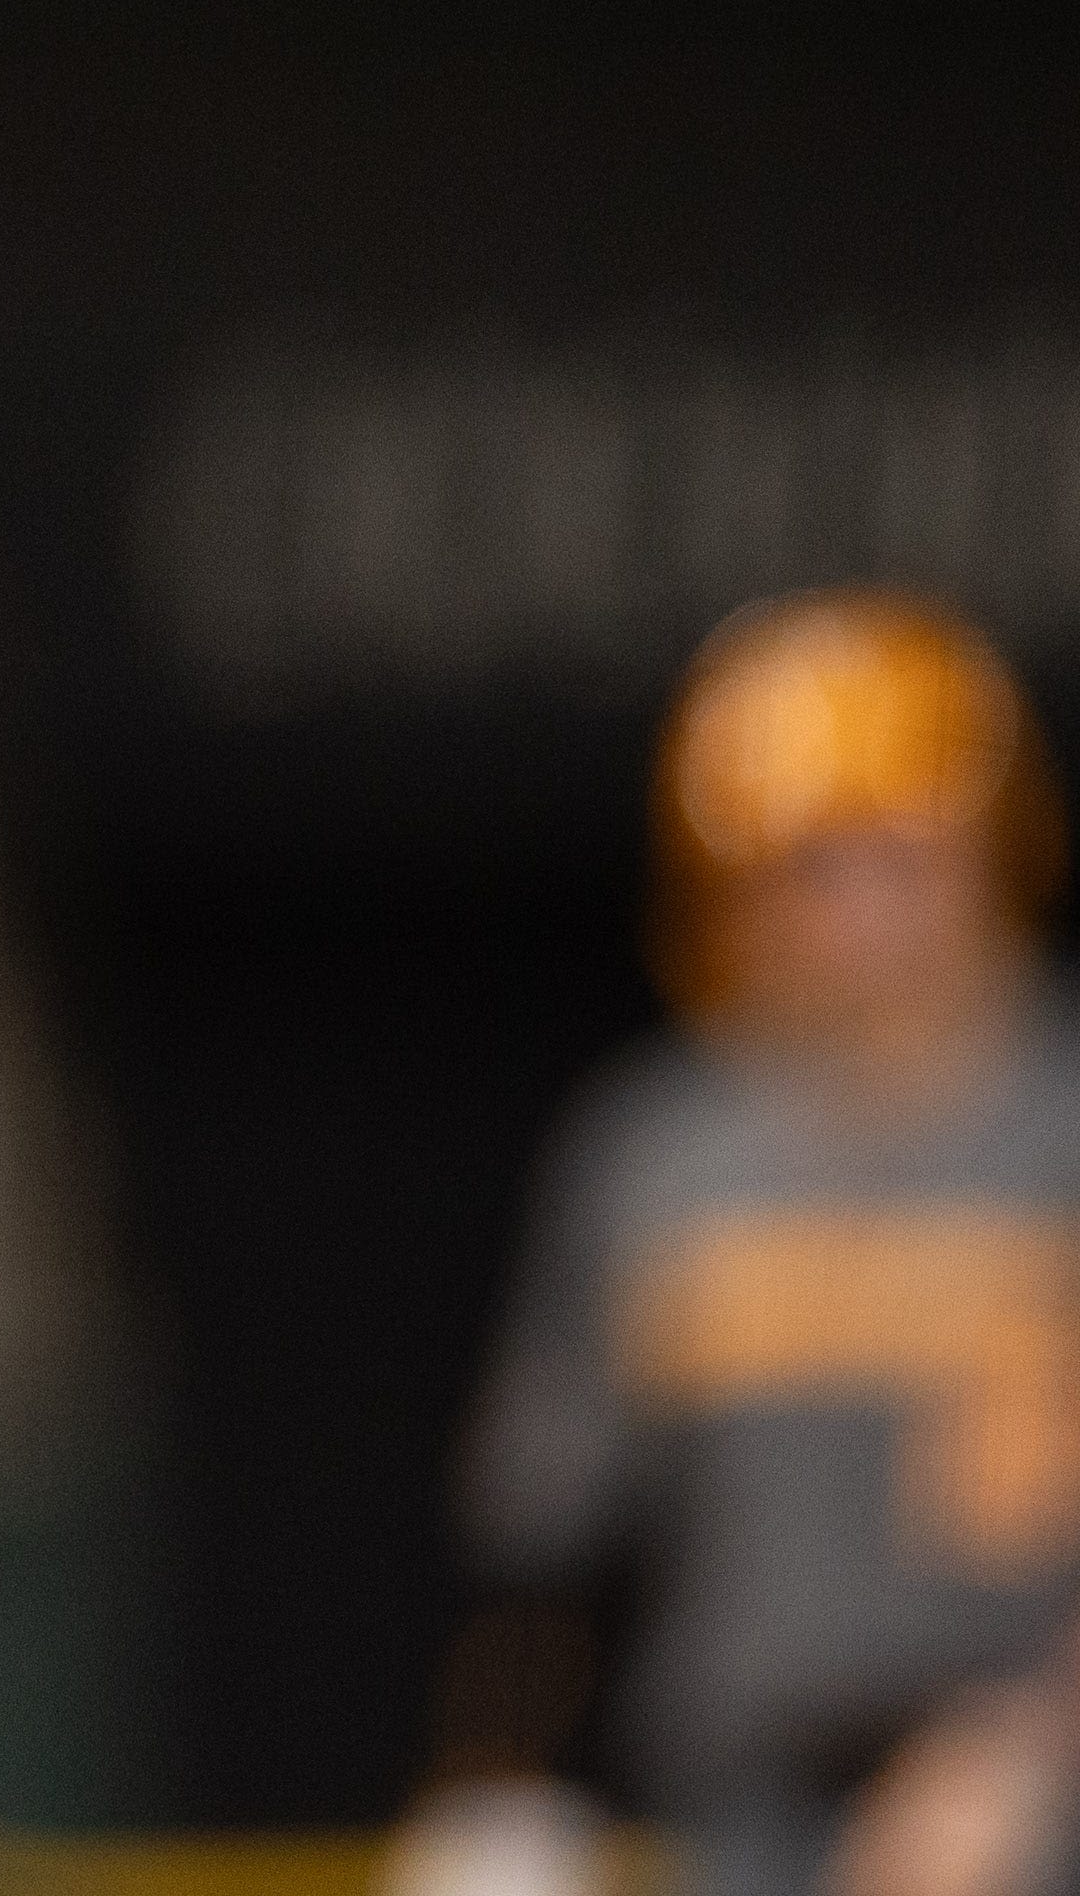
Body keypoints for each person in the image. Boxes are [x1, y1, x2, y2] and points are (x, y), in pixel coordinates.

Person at [390, 592, 1080, 1896]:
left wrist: (1036, 1750)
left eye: (893, 856)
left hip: (1028, 1803)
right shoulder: (665, 1161)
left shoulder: (1061, 1133)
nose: (851, 915)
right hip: (745, 1809)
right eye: (800, 866)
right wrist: (498, 1788)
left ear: (990, 850)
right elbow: (555, 1535)